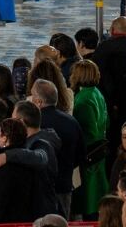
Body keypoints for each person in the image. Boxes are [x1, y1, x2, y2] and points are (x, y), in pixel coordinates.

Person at [0, 118, 52, 226]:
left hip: (1, 223)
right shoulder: (27, 159)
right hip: (24, 220)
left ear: (5, 138)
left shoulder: (0, 163)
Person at [33, 79, 86, 217]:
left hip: (40, 188)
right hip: (65, 184)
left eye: (32, 96)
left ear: (38, 101)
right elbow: (81, 154)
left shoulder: (34, 124)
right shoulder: (71, 121)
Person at [71, 60, 111, 217]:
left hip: (89, 157)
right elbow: (106, 122)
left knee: (89, 199)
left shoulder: (82, 100)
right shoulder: (96, 93)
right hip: (99, 152)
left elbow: (88, 132)